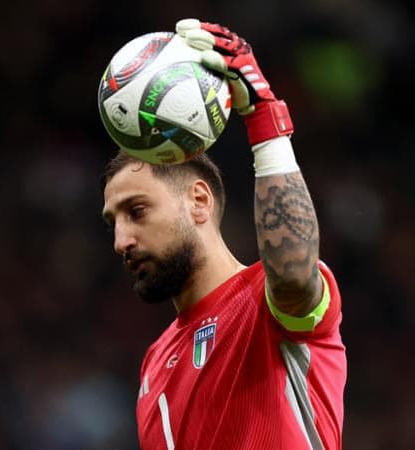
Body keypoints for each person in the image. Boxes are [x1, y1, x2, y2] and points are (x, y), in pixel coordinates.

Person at [100, 20, 346, 449]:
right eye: (113, 222)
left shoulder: (269, 305)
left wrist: (264, 117)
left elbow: (292, 277)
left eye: (137, 212)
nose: (121, 241)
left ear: (199, 201)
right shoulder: (154, 364)